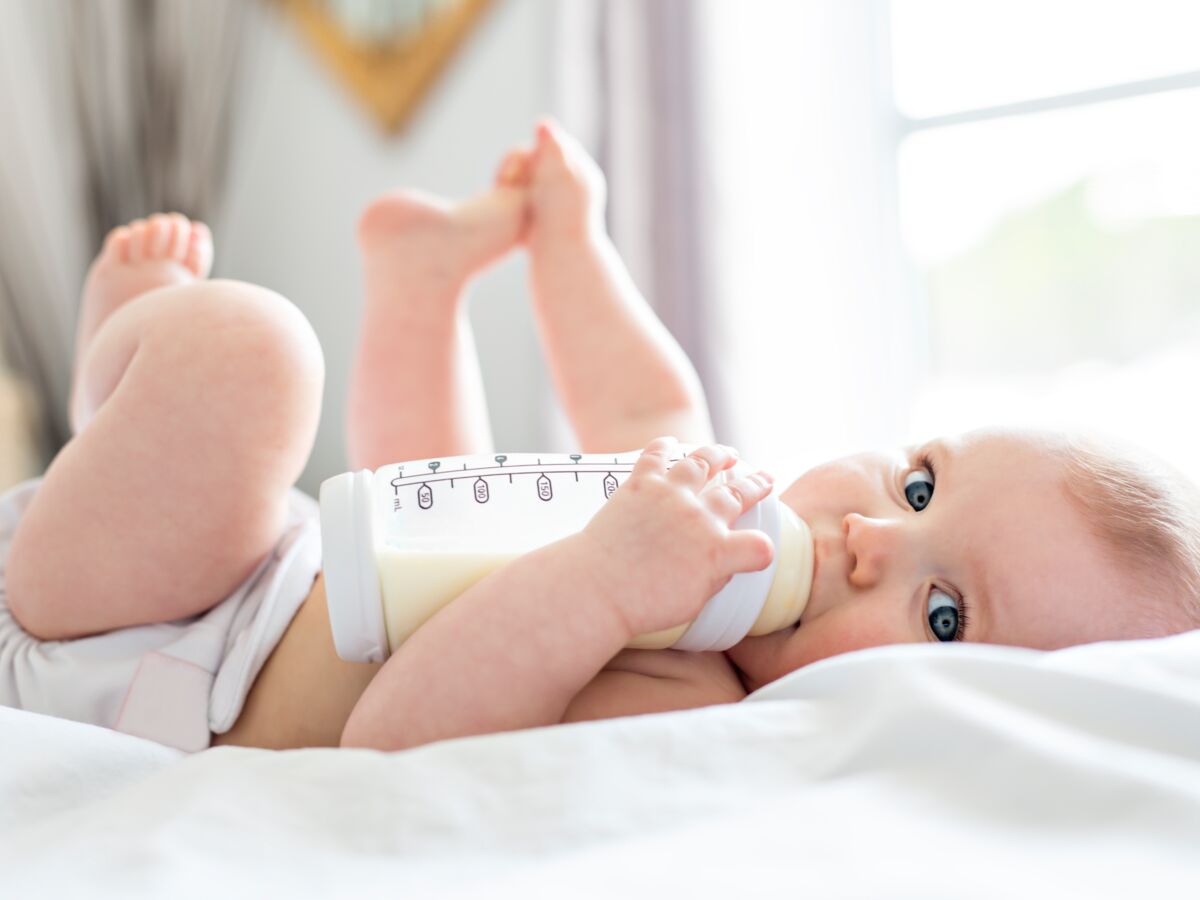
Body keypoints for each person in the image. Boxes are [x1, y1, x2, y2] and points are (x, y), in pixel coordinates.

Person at [2, 121, 1198, 754]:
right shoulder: (713, 536)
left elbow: (392, 733)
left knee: (250, 357)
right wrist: (574, 243)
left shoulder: (679, 711)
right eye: (922, 483)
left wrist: (601, 584)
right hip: (273, 564)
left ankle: (112, 420)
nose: (874, 537)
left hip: (143, 667)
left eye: (945, 613)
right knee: (441, 483)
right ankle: (399, 298)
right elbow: (638, 410)